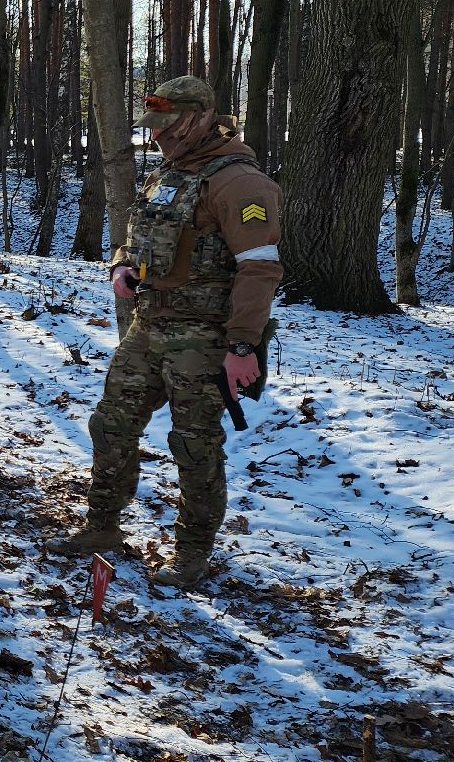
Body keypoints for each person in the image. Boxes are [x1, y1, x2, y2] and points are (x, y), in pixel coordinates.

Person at [45, 75, 282, 589]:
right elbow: (134, 241)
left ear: (199, 118)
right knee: (111, 426)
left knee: (194, 445)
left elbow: (260, 269)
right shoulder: (169, 175)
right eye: (153, 127)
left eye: (168, 126)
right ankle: (102, 527)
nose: (158, 137)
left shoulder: (240, 183)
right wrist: (120, 268)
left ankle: (192, 554)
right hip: (149, 327)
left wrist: (242, 346)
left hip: (205, 340)